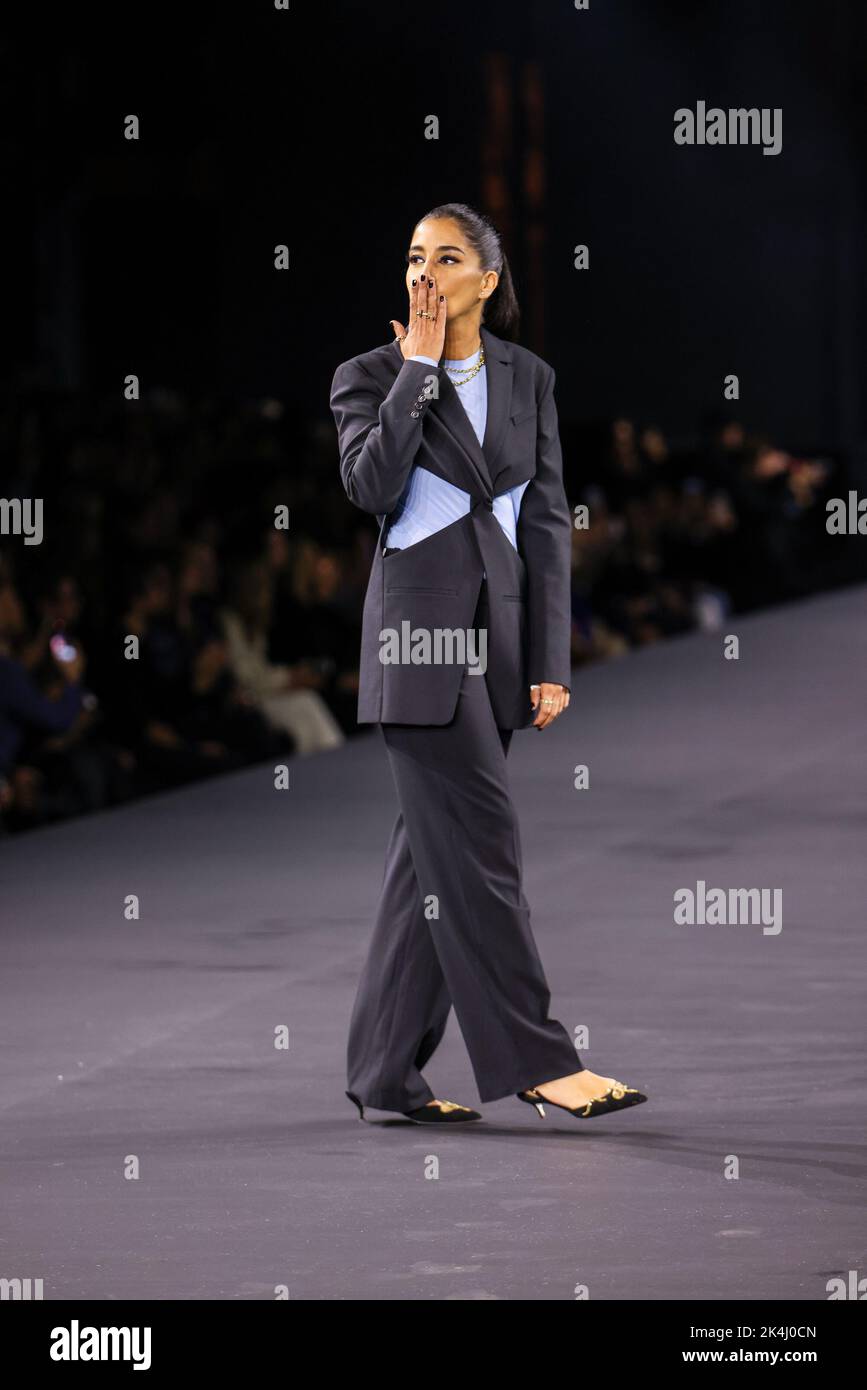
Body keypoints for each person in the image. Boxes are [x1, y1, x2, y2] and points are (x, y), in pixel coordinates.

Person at [330, 201, 647, 1126]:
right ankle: (540, 1061)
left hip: (497, 648)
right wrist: (418, 374)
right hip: (415, 644)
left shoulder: (528, 379)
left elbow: (543, 525)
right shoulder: (369, 375)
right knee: (484, 850)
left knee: (425, 868)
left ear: (488, 278)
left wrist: (549, 658)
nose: (424, 271)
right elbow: (367, 486)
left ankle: (385, 1070)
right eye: (413, 254)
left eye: (448, 255)